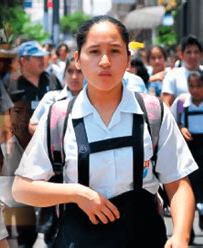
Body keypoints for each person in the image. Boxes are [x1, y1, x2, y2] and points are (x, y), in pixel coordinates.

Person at [12, 15, 197, 247]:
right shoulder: (59, 117)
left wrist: (180, 235)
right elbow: (22, 189)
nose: (105, 61)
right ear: (78, 59)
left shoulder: (153, 113)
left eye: (115, 51)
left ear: (128, 58)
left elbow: (178, 182)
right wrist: (77, 194)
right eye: (95, 51)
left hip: (143, 237)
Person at [171, 70, 203, 228]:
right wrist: (181, 128)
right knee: (189, 190)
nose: (195, 90)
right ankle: (186, 228)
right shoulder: (181, 103)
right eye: (191, 86)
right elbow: (170, 123)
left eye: (199, 86)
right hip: (189, 153)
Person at [29, 57, 84, 133]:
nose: (74, 77)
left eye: (79, 71)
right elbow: (32, 125)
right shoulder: (51, 98)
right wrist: (53, 136)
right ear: (65, 74)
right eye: (70, 71)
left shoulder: (93, 100)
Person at [162, 35, 202, 106]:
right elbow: (166, 102)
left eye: (196, 52)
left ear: (201, 54)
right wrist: (180, 115)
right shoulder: (173, 75)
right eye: (189, 52)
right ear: (182, 55)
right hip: (182, 113)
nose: (193, 56)